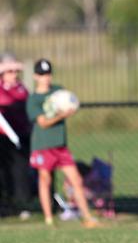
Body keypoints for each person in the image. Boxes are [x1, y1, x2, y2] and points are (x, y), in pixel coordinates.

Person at [26, 59, 99, 228]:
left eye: (48, 74)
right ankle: (49, 218)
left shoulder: (58, 91)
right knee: (45, 180)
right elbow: (43, 123)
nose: (46, 78)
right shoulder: (33, 99)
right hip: (43, 145)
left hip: (60, 145)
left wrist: (71, 108)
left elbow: (71, 102)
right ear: (36, 76)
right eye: (42, 74)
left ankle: (87, 217)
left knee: (77, 180)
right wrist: (62, 115)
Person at [0, 53, 33, 216]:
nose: (14, 75)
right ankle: (5, 203)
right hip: (3, 138)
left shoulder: (21, 89)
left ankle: (22, 204)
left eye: (15, 71)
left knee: (20, 171)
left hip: (21, 135)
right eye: (9, 71)